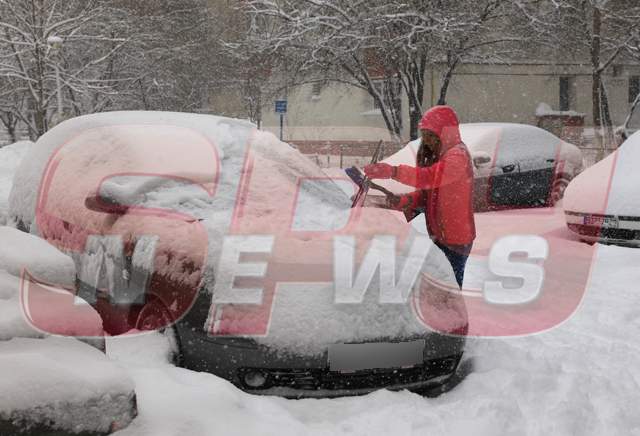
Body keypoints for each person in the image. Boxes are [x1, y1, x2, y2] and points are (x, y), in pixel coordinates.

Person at [364, 105, 476, 288]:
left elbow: (429, 178)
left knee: (450, 291)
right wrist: (406, 200)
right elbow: (428, 195)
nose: (427, 141)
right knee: (441, 289)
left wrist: (393, 171)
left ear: (445, 132)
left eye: (432, 135)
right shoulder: (440, 155)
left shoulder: (458, 156)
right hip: (440, 235)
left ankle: (456, 317)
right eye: (424, 135)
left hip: (456, 239)